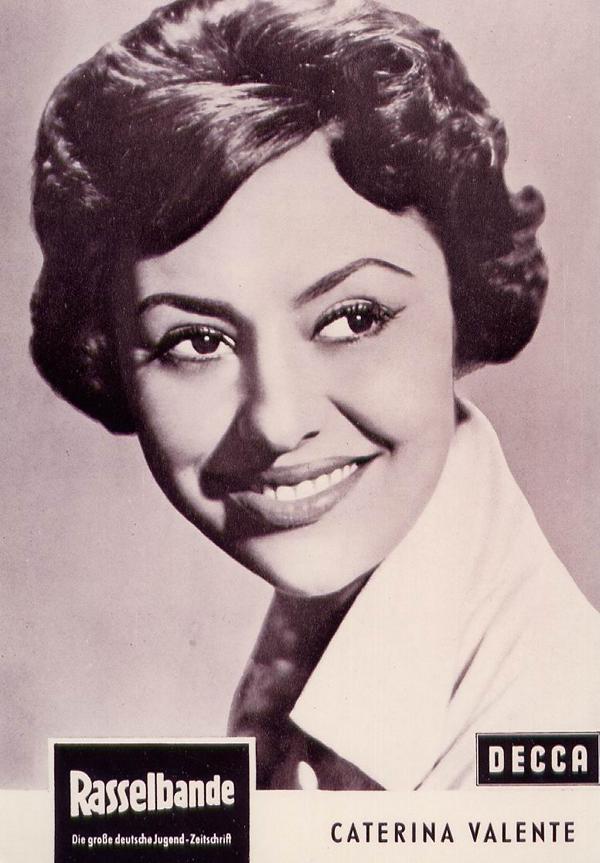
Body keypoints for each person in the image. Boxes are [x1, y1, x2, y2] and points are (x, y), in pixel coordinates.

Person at [30, 0, 600, 790]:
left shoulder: (551, 730)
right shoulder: (323, 632)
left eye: (353, 318)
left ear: (464, 303)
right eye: (197, 341)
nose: (277, 420)